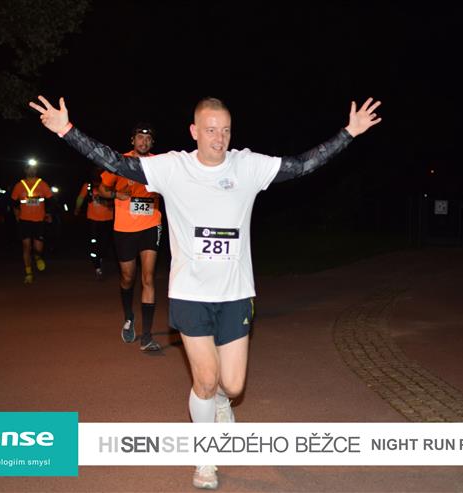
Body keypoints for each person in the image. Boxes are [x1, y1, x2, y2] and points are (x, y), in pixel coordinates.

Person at [30, 95, 381, 489]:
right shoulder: (172, 168)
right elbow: (115, 162)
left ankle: (221, 404)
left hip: (235, 294)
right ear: (194, 131)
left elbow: (300, 165)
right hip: (190, 293)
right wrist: (66, 130)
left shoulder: (247, 166)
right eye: (211, 130)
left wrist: (349, 133)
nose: (219, 138)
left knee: (232, 386)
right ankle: (205, 457)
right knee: (206, 380)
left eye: (225, 131)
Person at [96, 123, 163, 352]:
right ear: (132, 140)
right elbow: (102, 190)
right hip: (124, 228)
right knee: (127, 277)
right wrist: (117, 194)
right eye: (139, 138)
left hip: (151, 224)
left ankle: (147, 336)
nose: (144, 142)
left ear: (152, 143)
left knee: (148, 278)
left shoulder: (159, 163)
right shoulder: (119, 162)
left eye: (148, 138)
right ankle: (128, 317)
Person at [10, 162, 54, 284]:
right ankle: (28, 273)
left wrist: (48, 214)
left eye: (34, 169)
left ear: (36, 170)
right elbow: (13, 202)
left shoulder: (42, 184)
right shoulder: (19, 185)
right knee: (26, 247)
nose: (31, 171)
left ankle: (37, 256)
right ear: (25, 170)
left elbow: (51, 201)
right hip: (24, 221)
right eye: (29, 169)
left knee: (38, 248)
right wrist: (16, 214)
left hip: (39, 220)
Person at [74, 167, 114, 279]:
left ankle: (101, 258)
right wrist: (77, 208)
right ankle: (97, 266)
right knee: (94, 243)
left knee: (105, 243)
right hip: (93, 220)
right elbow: (80, 198)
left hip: (108, 219)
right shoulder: (88, 186)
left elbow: (116, 199)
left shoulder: (109, 185)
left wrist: (109, 203)